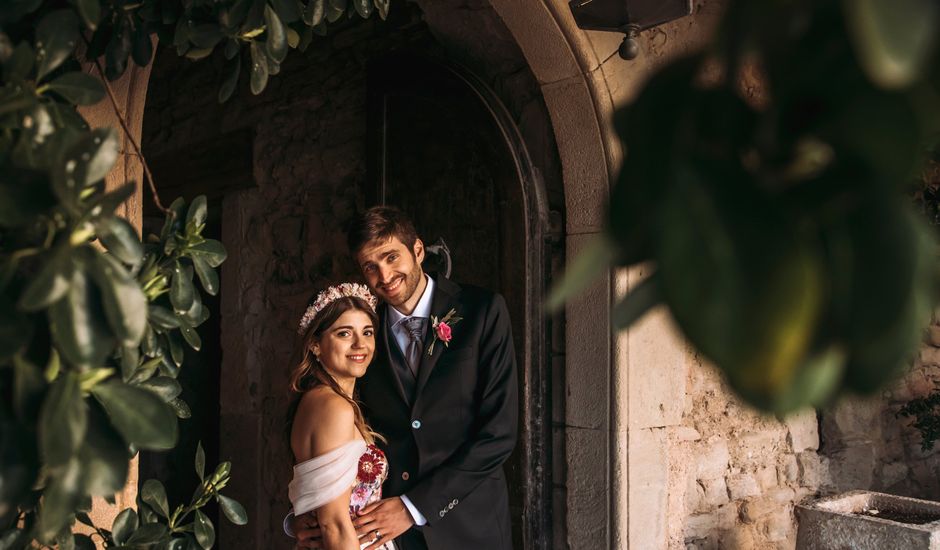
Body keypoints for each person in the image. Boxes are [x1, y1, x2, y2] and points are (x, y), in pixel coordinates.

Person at [293, 206, 519, 550]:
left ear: (417, 251)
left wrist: (414, 508)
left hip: (470, 528)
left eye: (390, 257)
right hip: (386, 536)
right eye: (371, 266)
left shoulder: (483, 311)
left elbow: (498, 435)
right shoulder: (364, 332)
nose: (384, 275)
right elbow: (334, 438)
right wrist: (312, 515)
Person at [288, 283, 396, 550]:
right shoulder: (333, 407)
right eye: (344, 333)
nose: (360, 344)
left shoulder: (319, 400)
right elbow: (333, 524)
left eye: (367, 332)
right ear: (315, 345)